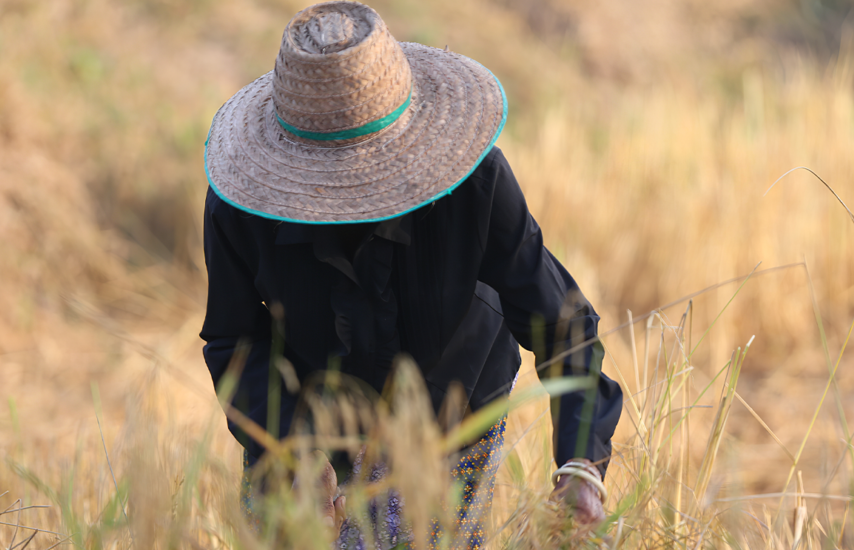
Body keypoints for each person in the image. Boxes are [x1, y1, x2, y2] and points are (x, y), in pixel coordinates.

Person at [198, 1, 623, 547]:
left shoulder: (475, 184)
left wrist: (582, 466)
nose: (351, 197)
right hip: (307, 413)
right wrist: (289, 451)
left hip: (449, 408)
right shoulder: (240, 205)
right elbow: (234, 337)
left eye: (368, 179)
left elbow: (562, 324)